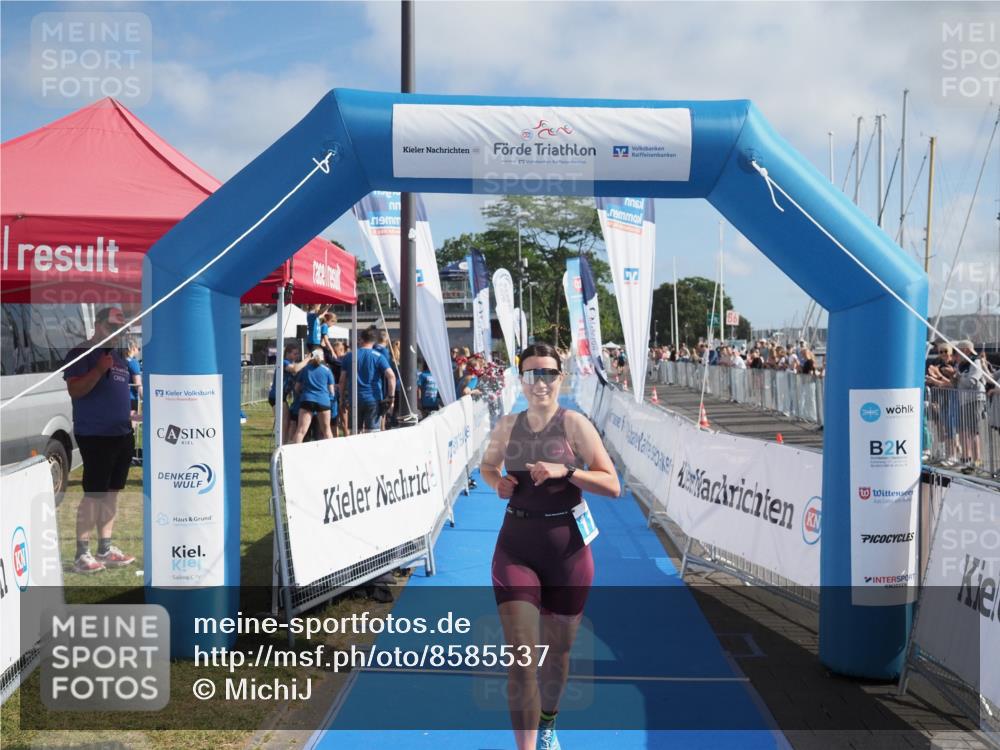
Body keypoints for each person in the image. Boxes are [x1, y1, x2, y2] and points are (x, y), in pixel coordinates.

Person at [480, 343, 620, 750]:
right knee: (522, 658)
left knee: (557, 656)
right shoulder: (507, 426)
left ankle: (547, 724)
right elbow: (488, 468)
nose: (539, 382)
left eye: (547, 373)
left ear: (561, 377)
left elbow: (612, 485)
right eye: (531, 374)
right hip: (516, 549)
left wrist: (569, 470)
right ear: (520, 379)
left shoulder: (574, 424)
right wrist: (498, 484)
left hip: (568, 553)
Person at [63, 306, 137, 573]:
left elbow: (115, 396)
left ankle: (105, 549)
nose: (117, 333)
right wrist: (97, 369)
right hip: (95, 435)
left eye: (121, 328)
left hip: (122, 433)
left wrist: (131, 415)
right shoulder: (80, 353)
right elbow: (76, 390)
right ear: (97, 324)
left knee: (112, 493)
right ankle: (82, 555)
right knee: (93, 494)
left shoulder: (118, 357)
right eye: (112, 327)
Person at [339, 328, 396, 433]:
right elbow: (391, 376)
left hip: (354, 399)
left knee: (355, 433)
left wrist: (341, 398)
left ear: (361, 339)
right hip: (373, 399)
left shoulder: (349, 356)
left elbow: (342, 380)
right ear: (374, 341)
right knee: (372, 434)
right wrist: (391, 397)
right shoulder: (379, 356)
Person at [291, 349, 336, 443]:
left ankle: (295, 454)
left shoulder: (305, 369)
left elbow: (297, 387)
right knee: (327, 431)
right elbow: (331, 391)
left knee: (301, 431)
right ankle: (332, 453)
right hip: (323, 401)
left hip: (307, 399)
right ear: (322, 357)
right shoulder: (327, 370)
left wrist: (302, 394)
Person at [125, 339, 142, 415]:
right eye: (138, 349)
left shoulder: (120, 361)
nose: (139, 351)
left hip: (119, 396)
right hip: (131, 399)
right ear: (133, 348)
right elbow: (137, 385)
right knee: (132, 424)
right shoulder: (134, 362)